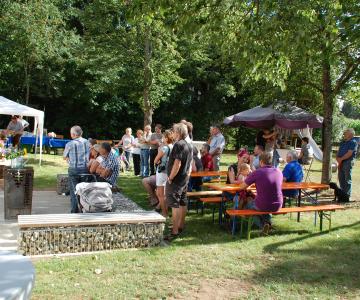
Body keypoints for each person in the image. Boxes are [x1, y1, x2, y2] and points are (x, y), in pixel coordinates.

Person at [237, 152, 283, 232]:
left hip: (263, 204)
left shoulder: (258, 172)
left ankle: (262, 226)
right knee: (262, 205)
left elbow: (242, 187)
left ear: (261, 162)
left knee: (247, 204)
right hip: (278, 204)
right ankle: (267, 223)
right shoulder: (278, 172)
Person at [166, 123, 193, 240]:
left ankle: (175, 231)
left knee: (175, 204)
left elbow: (177, 163)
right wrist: (188, 175)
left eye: (174, 131)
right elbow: (190, 164)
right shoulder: (189, 144)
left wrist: (171, 177)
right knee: (182, 202)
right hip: (184, 179)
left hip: (176, 180)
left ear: (178, 132)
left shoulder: (179, 145)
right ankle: (180, 226)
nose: (172, 133)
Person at [63, 125, 90, 213]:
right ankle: (84, 209)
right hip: (85, 169)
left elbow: (64, 157)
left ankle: (74, 211)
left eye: (71, 133)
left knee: (74, 190)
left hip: (74, 169)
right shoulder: (87, 142)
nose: (70, 135)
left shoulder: (69, 144)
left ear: (74, 134)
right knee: (84, 190)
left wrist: (69, 161)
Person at [154, 130, 174, 217]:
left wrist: (158, 161)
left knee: (160, 194)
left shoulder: (164, 148)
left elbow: (155, 160)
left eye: (163, 137)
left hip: (161, 171)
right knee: (166, 194)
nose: (162, 138)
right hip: (170, 171)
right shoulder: (173, 147)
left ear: (166, 138)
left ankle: (164, 213)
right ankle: (164, 211)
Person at [336, 128, 358, 199]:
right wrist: (337, 158)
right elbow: (338, 151)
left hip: (348, 162)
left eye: (346, 132)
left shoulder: (353, 142)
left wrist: (341, 159)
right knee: (341, 178)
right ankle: (342, 194)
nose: (344, 134)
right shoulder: (343, 142)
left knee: (347, 178)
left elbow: (349, 153)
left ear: (350, 134)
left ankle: (347, 195)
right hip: (341, 161)